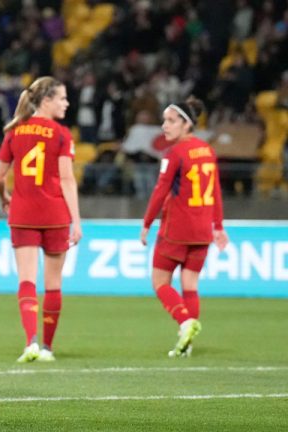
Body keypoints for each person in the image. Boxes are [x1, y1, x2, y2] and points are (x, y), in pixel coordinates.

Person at [0, 77, 82, 363]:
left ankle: (29, 341)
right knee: (53, 283)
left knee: (27, 281)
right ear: (46, 101)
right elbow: (67, 180)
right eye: (62, 98)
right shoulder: (61, 134)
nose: (66, 103)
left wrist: (5, 196)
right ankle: (47, 348)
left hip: (23, 213)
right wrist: (77, 221)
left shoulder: (15, 131)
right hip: (56, 215)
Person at [140, 97, 228, 358]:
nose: (164, 125)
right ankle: (186, 345)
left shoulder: (175, 154)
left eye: (171, 120)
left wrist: (146, 223)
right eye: (164, 120)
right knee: (190, 284)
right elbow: (216, 192)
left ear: (186, 124)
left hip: (176, 229)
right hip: (202, 231)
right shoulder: (208, 151)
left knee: (159, 282)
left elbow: (160, 191)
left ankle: (184, 322)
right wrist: (218, 225)